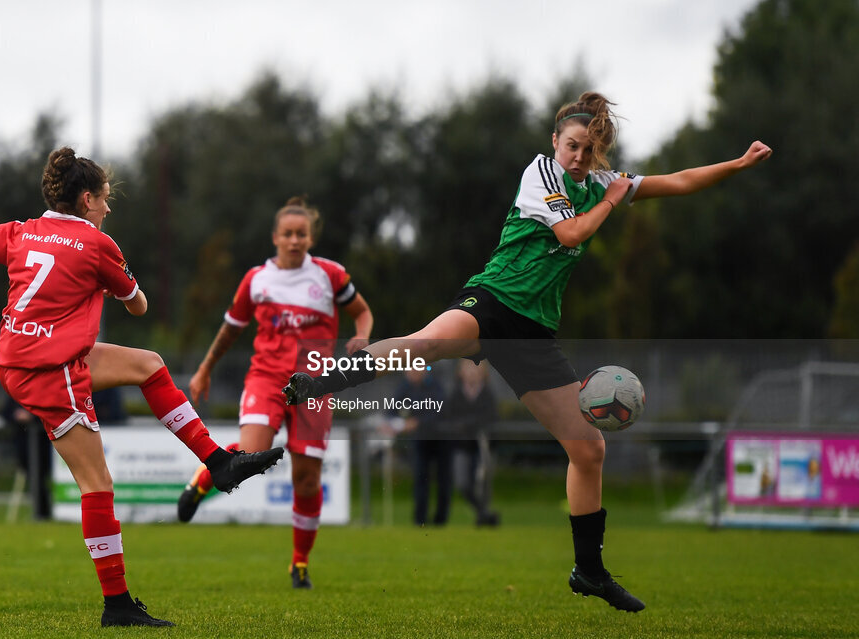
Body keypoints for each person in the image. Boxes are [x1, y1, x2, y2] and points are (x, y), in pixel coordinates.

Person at [285, 92, 773, 612]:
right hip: (493, 301)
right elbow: (571, 232)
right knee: (424, 344)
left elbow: (677, 181)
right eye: (572, 146)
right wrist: (614, 196)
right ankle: (319, 383)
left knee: (588, 450)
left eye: (589, 149)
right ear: (556, 143)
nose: (579, 157)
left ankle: (589, 571)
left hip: (533, 332)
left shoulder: (601, 183)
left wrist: (738, 165)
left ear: (599, 150)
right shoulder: (541, 173)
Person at [0, 146, 284, 627]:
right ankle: (117, 605)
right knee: (97, 485)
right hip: (48, 370)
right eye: (104, 198)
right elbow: (138, 307)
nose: (108, 207)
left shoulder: (20, 232)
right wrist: (128, 288)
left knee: (148, 364)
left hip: (27, 357)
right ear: (85, 200)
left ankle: (217, 461)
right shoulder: (99, 245)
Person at [177, 196, 373, 590]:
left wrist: (362, 337)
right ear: (275, 238)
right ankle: (202, 482)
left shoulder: (331, 276)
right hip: (266, 379)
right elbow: (231, 328)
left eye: (302, 234)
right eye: (288, 234)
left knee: (305, 478)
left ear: (310, 238)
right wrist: (204, 368)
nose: (295, 240)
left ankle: (299, 563)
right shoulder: (256, 280)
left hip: (314, 386)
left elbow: (362, 312)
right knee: (247, 456)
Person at [390, 367, 452, 526]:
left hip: (440, 440)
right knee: (420, 478)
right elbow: (391, 410)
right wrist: (393, 424)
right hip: (420, 440)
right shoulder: (405, 387)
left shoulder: (435, 386)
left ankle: (440, 520)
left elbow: (439, 411)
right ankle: (420, 520)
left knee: (443, 480)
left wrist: (417, 422)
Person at [445, 359, 500, 527]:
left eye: (476, 367)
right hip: (462, 446)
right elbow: (450, 418)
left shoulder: (488, 393)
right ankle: (484, 513)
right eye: (467, 368)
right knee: (462, 482)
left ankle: (483, 516)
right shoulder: (455, 393)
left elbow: (490, 419)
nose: (471, 372)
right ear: (460, 372)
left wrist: (467, 424)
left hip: (483, 446)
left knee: (482, 482)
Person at [1, 394, 53, 520]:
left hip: (43, 444)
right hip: (23, 445)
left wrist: (32, 417)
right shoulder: (15, 392)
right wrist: (16, 415)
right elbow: (4, 413)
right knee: (34, 477)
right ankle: (41, 512)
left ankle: (44, 512)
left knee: (41, 477)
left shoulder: (42, 392)